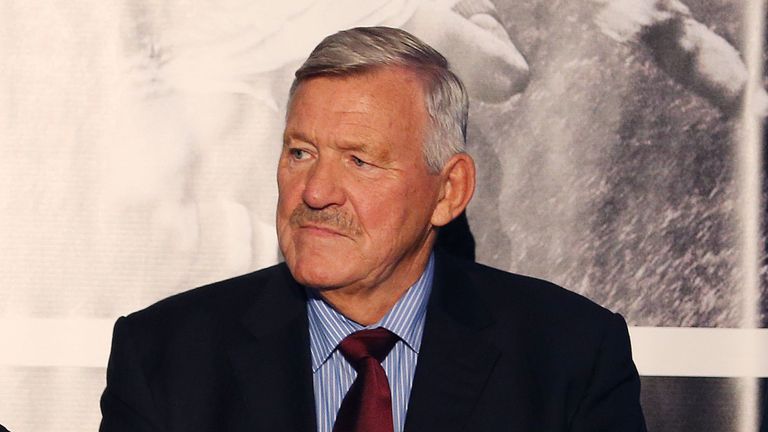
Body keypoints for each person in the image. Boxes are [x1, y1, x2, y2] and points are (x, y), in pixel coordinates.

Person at [100, 26, 646, 432]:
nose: (315, 192)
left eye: (359, 161)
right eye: (300, 152)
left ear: (448, 190)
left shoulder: (570, 357)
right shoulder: (162, 357)